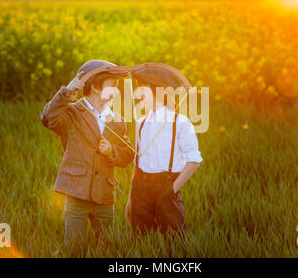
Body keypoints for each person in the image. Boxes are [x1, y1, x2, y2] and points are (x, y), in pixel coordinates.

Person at [40, 60, 133, 247]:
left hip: (105, 195)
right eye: (112, 86)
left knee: (106, 246)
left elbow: (128, 153)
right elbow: (48, 118)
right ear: (95, 87)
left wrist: (112, 150)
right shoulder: (72, 113)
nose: (116, 91)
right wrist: (66, 93)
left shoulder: (117, 120)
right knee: (75, 245)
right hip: (76, 193)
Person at [125, 69, 202, 235]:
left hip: (166, 186)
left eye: (143, 91)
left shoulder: (180, 122)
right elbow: (137, 162)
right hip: (141, 188)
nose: (138, 96)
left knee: (173, 239)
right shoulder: (141, 122)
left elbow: (194, 160)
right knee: (142, 238)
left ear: (157, 92)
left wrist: (172, 189)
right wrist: (131, 198)